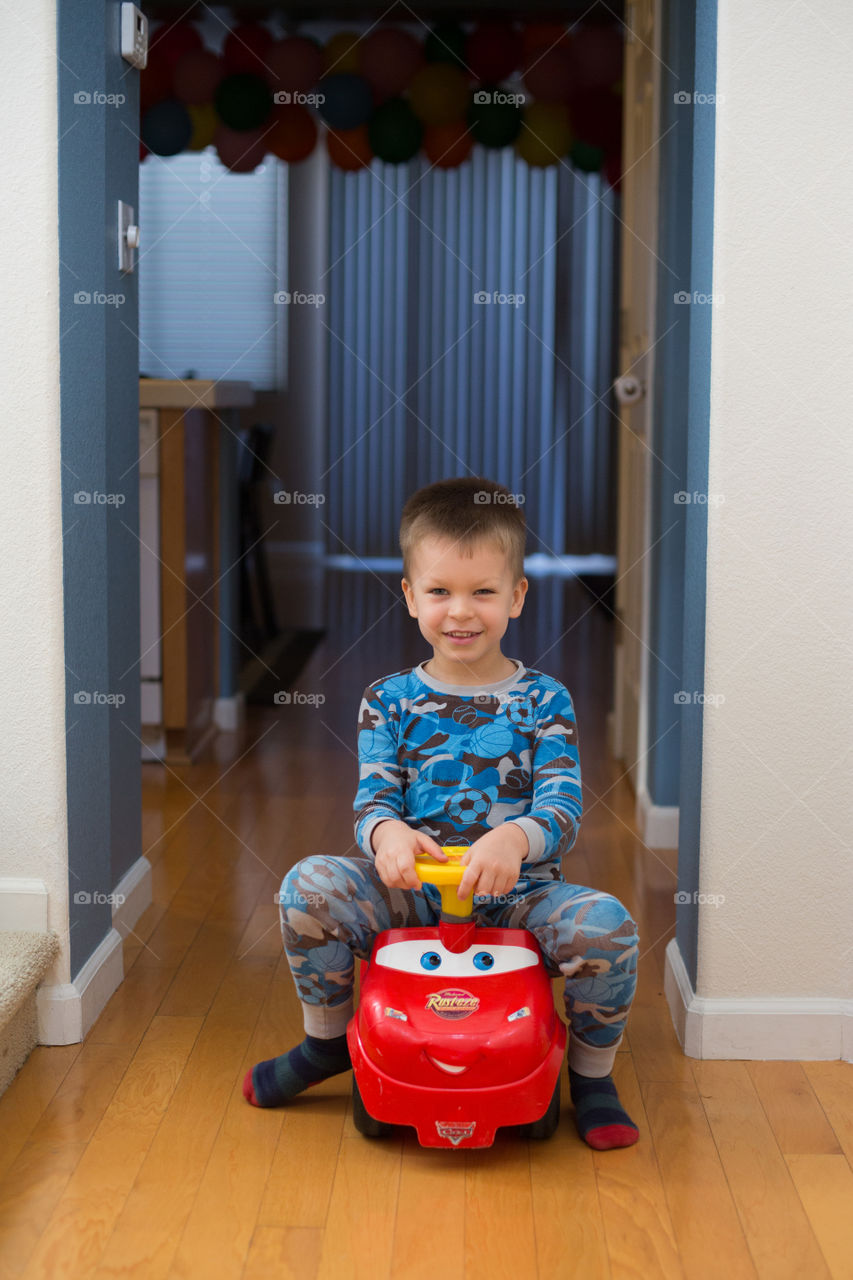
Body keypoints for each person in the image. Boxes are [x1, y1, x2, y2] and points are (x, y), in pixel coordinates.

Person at [244, 475, 640, 1150]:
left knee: (607, 929)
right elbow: (372, 802)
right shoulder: (388, 700)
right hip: (412, 896)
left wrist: (515, 838)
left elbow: (563, 804)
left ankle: (591, 1077)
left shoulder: (545, 699)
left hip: (520, 896)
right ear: (409, 597)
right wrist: (388, 834)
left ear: (516, 595)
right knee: (306, 887)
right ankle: (325, 1044)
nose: (461, 612)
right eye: (440, 592)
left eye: (483, 591)